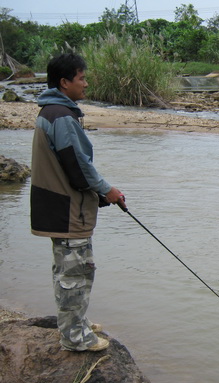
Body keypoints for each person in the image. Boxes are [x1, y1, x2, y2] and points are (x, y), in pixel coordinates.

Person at [30, 53, 126, 352]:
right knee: (75, 273)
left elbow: (70, 165)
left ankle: (77, 324)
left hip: (58, 206)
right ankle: (75, 337)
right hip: (67, 210)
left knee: (68, 270)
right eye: (81, 78)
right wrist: (108, 190)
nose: (85, 83)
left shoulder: (52, 111)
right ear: (64, 82)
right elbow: (79, 166)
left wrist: (98, 192)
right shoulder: (61, 116)